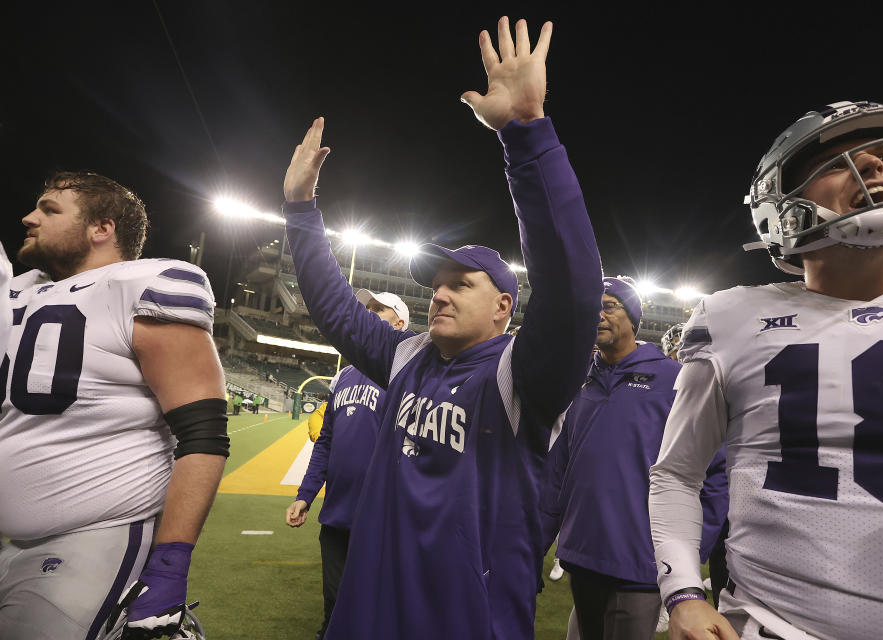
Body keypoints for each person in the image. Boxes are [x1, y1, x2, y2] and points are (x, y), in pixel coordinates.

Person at [281, 16, 601, 639]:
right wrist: (300, 211)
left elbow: (571, 284)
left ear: (505, 306)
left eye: (462, 284)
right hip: (375, 601)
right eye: (436, 283)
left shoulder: (523, 375)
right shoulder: (408, 355)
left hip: (466, 615)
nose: (440, 294)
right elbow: (335, 308)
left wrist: (526, 136)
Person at [648, 101, 883, 639]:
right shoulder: (730, 317)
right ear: (781, 205)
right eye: (841, 161)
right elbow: (676, 473)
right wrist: (683, 594)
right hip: (768, 626)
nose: (878, 165)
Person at [0, 171, 229, 639]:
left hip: (93, 538)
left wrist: (170, 565)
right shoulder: (15, 291)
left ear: (101, 228)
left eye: (49, 209)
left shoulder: (144, 283)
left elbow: (203, 431)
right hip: (10, 543)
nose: (29, 217)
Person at [542, 276, 727, 640]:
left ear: (633, 318)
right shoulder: (581, 379)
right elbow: (558, 470)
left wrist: (687, 555)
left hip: (642, 564)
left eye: (609, 306)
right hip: (581, 555)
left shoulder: (674, 378)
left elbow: (717, 472)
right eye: (591, 307)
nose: (598, 315)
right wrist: (537, 542)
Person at [285, 290, 409, 640]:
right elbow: (326, 443)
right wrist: (305, 494)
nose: (368, 314)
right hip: (337, 515)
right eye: (366, 309)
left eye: (378, 310)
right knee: (334, 602)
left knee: (373, 608)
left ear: (399, 324)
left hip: (381, 519)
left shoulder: (405, 378)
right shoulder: (343, 377)